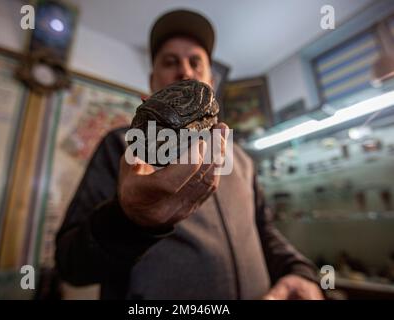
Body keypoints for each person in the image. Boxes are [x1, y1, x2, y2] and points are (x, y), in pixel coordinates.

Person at [55, 9, 324, 300]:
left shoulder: (242, 160)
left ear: (211, 80)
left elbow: (264, 231)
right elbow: (70, 264)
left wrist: (299, 272)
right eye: (170, 62)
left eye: (195, 62)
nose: (184, 70)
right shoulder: (124, 147)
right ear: (152, 79)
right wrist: (128, 220)